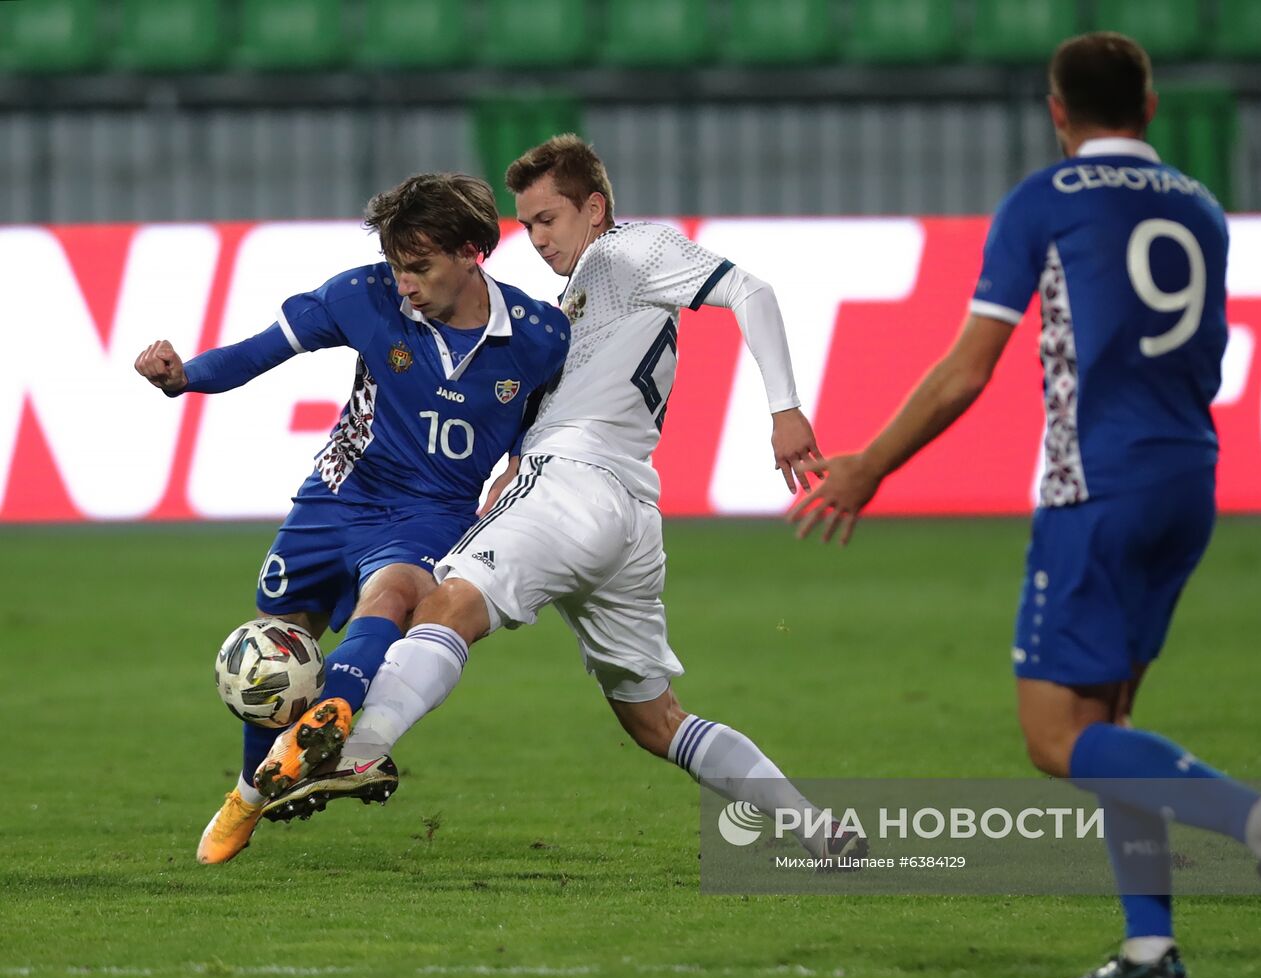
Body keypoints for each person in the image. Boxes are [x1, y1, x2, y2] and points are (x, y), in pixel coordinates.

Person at [789, 32, 1261, 978]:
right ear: (1151, 107)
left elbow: (967, 368)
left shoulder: (1044, 200)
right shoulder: (1202, 209)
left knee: (1055, 738)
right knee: (1111, 721)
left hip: (1097, 487)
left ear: (1058, 111)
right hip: (1190, 479)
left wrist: (870, 463)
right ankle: (1151, 947)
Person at [258, 134, 862, 862]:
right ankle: (816, 827)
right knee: (656, 721)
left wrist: (786, 409)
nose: (536, 238)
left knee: (440, 601)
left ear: (595, 207)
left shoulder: (625, 252)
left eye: (548, 219)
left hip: (573, 480)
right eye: (527, 223)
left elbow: (751, 291)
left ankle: (361, 746)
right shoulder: (580, 297)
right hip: (629, 513)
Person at [135, 172, 569, 865]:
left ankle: (318, 733)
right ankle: (253, 789)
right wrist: (185, 376)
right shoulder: (363, 295)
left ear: (470, 252)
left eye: (420, 267)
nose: (405, 283)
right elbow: (259, 351)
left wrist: (519, 468)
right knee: (276, 649)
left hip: (432, 512)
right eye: (398, 266)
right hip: (339, 493)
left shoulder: (542, 336)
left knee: (396, 597)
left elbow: (545, 427)